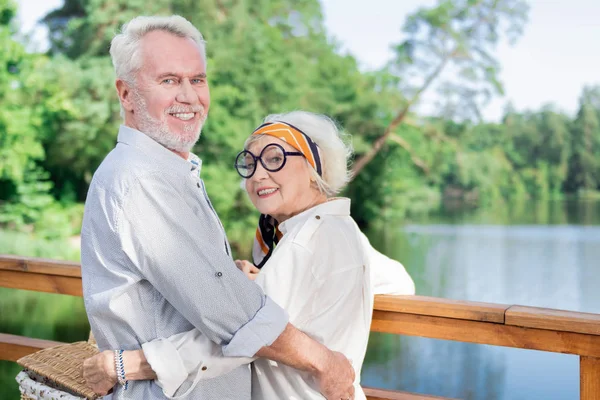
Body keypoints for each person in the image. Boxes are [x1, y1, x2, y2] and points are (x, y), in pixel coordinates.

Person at [80, 15, 359, 400]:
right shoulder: (141, 180)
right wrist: (325, 362)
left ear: (315, 171)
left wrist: (232, 279)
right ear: (126, 94)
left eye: (197, 79)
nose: (189, 97)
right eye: (169, 80)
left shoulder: (171, 174)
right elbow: (232, 316)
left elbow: (219, 301)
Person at [83, 111, 416, 399]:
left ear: (317, 166)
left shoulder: (306, 241)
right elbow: (401, 283)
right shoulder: (339, 230)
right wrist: (268, 287)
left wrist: (127, 365)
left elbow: (240, 338)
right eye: (251, 162)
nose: (258, 175)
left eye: (275, 159)